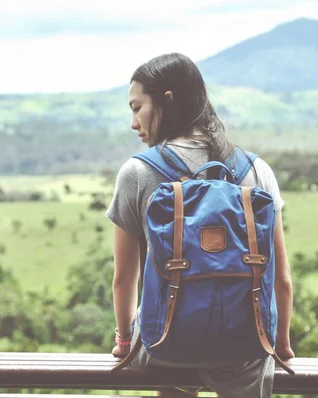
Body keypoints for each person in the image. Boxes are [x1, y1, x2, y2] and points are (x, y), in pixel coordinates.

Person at [105, 53, 294, 398]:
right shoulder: (256, 171)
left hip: (164, 349)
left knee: (165, 339)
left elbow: (124, 279)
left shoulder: (136, 172)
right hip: (244, 351)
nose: (133, 122)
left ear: (167, 100)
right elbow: (280, 277)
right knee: (246, 366)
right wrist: (280, 344)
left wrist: (124, 340)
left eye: (136, 107)